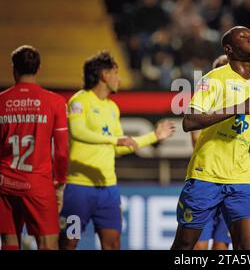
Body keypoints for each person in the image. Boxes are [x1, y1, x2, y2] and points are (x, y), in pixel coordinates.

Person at [59, 52, 175, 250]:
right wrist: (115, 139)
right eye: (116, 73)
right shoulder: (79, 101)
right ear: (104, 75)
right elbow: (78, 132)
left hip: (108, 191)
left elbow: (119, 147)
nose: (119, 79)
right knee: (70, 242)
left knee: (112, 244)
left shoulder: (113, 107)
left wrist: (154, 136)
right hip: (79, 190)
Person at [171, 26, 250, 250]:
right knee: (185, 246)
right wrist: (238, 108)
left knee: (247, 250)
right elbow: (189, 122)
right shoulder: (213, 79)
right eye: (244, 38)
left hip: (241, 178)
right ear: (230, 49)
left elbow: (245, 122)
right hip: (206, 176)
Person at [190, 55, 250, 250]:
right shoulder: (206, 101)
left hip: (236, 180)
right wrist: (228, 120)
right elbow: (195, 137)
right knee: (198, 247)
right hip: (209, 176)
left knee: (223, 246)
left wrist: (245, 130)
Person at [0, 45, 69, 250]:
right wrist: (60, 182)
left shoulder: (1, 101)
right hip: (38, 184)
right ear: (38, 69)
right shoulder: (55, 102)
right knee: (47, 243)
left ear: (14, 69)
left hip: (5, 183)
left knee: (9, 242)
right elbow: (62, 150)